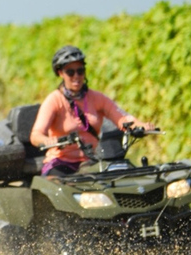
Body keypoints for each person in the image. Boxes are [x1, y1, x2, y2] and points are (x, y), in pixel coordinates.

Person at [30, 45, 155, 176]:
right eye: (70, 72)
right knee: (57, 188)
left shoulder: (96, 98)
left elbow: (122, 118)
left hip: (93, 162)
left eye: (80, 71)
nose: (76, 76)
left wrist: (141, 126)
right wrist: (48, 141)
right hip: (61, 163)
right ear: (60, 73)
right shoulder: (54, 100)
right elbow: (36, 135)